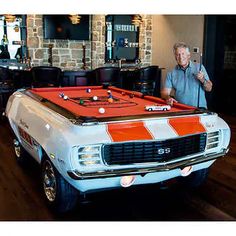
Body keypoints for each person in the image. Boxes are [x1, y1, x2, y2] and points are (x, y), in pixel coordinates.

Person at [161, 42, 212, 109]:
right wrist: (168, 98)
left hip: (199, 109)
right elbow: (164, 93)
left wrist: (202, 79)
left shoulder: (199, 67)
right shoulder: (171, 73)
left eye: (183, 54)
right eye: (177, 54)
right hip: (180, 109)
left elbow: (209, 88)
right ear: (175, 57)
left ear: (188, 55)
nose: (180, 57)